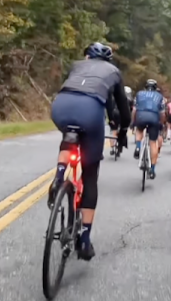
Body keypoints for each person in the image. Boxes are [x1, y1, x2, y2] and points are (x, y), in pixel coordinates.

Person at [48, 42, 131, 260]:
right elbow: (121, 107)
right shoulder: (113, 72)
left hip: (60, 106)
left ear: (86, 57)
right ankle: (84, 240)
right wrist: (122, 131)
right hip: (90, 111)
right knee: (90, 175)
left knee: (69, 135)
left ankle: (58, 178)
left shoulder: (76, 65)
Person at [132, 79, 166, 179]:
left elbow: (134, 110)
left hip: (141, 116)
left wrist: (133, 121)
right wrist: (161, 123)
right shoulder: (160, 97)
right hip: (154, 118)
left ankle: (138, 147)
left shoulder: (139, 94)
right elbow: (162, 113)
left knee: (139, 130)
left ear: (146, 86)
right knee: (153, 143)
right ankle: (152, 170)